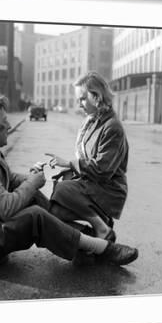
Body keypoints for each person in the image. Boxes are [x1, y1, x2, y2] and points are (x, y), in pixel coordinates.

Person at [0, 97, 138, 276]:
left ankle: (86, 242)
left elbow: (7, 178)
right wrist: (32, 183)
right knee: (35, 216)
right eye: (4, 121)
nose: (8, 125)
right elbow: (5, 208)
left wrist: (29, 179)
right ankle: (102, 248)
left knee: (33, 198)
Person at [46, 72, 129, 242]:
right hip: (92, 184)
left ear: (97, 96)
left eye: (83, 99)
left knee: (62, 189)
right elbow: (85, 158)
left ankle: (100, 229)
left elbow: (102, 170)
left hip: (109, 189)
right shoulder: (90, 121)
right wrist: (69, 170)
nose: (79, 104)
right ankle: (96, 234)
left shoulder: (112, 127)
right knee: (54, 211)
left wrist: (70, 164)